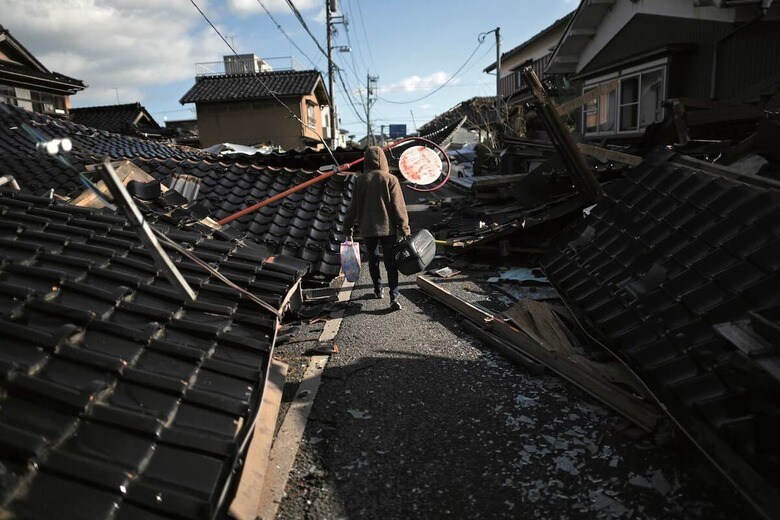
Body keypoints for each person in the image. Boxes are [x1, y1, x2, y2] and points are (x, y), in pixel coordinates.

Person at [344, 146, 410, 311]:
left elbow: (353, 207)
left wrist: (348, 228)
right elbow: (398, 207)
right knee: (391, 262)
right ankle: (394, 296)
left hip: (368, 228)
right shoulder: (390, 179)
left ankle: (377, 289)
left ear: (366, 160)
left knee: (373, 261)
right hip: (389, 229)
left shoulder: (360, 180)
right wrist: (404, 228)